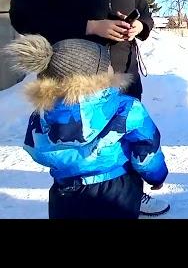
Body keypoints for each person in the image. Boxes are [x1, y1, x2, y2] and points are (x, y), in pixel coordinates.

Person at [9, 0, 168, 216]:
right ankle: (75, 194)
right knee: (78, 146)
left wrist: (140, 26)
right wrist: (90, 26)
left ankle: (131, 192)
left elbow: (144, 9)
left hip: (123, 71)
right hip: (73, 80)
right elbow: (23, 16)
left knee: (128, 136)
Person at [3, 34, 168, 219]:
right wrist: (156, 176)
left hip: (65, 193)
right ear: (99, 75)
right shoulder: (126, 108)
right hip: (117, 191)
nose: (112, 67)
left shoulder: (42, 114)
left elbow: (37, 150)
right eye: (108, 65)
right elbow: (147, 148)